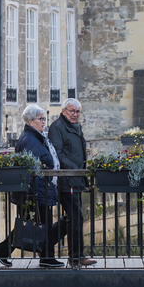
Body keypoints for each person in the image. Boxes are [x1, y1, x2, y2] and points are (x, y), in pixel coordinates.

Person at [0, 104, 64, 269]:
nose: (43, 122)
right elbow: (32, 168)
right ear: (31, 121)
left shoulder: (36, 137)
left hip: (38, 190)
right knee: (34, 225)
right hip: (36, 192)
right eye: (40, 119)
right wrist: (35, 193)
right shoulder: (29, 140)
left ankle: (6, 251)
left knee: (33, 225)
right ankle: (45, 257)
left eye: (44, 118)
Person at [48, 97, 97, 267]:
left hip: (76, 178)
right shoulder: (57, 127)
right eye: (71, 111)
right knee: (76, 217)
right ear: (63, 111)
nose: (75, 114)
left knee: (71, 218)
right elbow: (58, 155)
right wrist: (75, 168)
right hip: (66, 179)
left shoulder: (75, 127)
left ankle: (44, 245)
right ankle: (76, 257)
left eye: (77, 112)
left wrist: (81, 173)